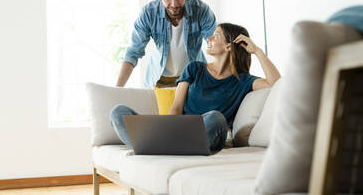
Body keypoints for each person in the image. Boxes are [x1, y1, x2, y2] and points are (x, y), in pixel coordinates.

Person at [110, 23, 281, 152]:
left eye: (216, 35)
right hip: (180, 132)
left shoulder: (244, 80)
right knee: (118, 112)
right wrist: (168, 129)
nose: (209, 38)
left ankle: (158, 149)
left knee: (216, 118)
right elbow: (176, 106)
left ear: (229, 46)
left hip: (208, 133)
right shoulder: (195, 68)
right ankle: (167, 147)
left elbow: (276, 84)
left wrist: (257, 51)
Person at [116, 0, 216, 88]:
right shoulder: (149, 13)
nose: (174, 4)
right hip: (160, 79)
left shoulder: (201, 10)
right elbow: (133, 52)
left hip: (192, 78)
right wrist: (118, 89)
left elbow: (216, 43)